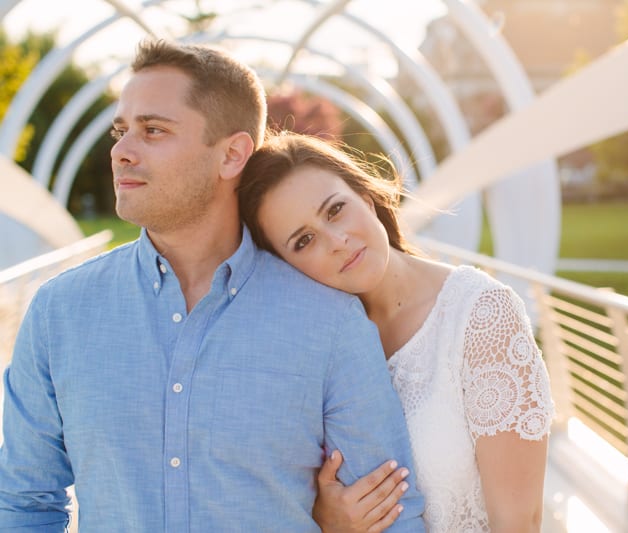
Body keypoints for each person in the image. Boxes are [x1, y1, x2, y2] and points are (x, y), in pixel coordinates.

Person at [0, 40, 425, 531]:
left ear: (232, 154)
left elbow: (394, 516)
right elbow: (24, 503)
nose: (120, 151)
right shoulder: (59, 313)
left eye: (152, 131)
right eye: (121, 132)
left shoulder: (328, 322)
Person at [238, 131, 556, 532]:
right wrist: (323, 516)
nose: (337, 241)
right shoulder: (303, 350)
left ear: (366, 200)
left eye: (335, 210)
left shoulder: (480, 315)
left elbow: (520, 522)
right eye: (304, 241)